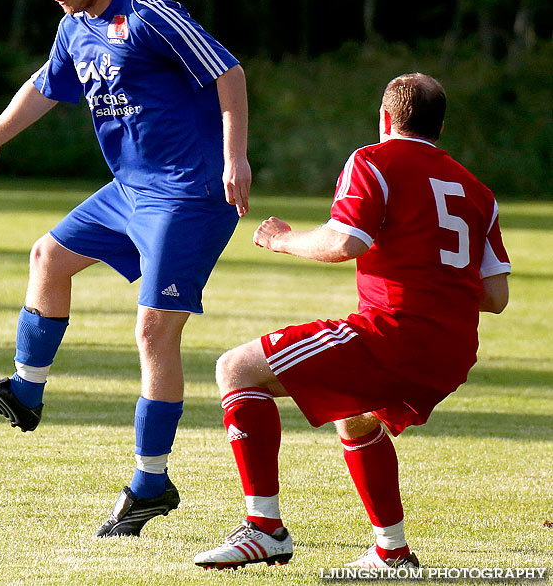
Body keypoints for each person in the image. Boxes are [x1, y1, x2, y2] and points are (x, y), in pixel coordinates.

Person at [0, 0, 250, 538]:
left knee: (153, 334)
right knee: (48, 257)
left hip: (189, 195)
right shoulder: (74, 28)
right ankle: (25, 391)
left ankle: (149, 484)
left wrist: (234, 158)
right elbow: (44, 87)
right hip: (129, 190)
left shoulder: (149, 16)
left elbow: (228, 72)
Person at [193, 73, 510, 570]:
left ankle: (264, 529)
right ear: (440, 126)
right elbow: (495, 296)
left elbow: (346, 243)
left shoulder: (374, 159)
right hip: (451, 351)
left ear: (386, 118)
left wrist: (281, 238)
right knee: (356, 413)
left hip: (393, 334)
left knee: (236, 369)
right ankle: (392, 552)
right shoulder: (477, 190)